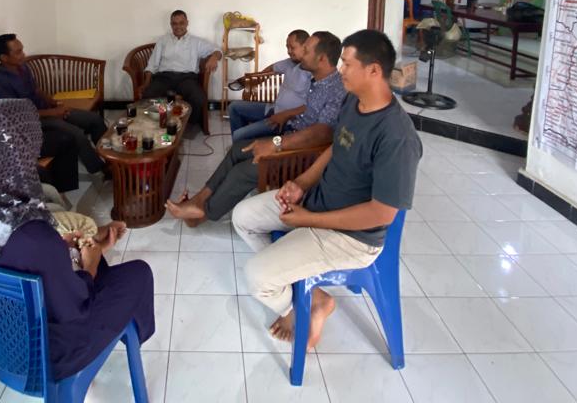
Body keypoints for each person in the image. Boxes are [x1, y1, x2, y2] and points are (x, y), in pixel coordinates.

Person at [0, 99, 155, 380]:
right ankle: (130, 336)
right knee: (137, 274)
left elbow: (13, 260)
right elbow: (75, 306)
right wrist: (91, 261)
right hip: (43, 355)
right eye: (31, 144)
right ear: (16, 153)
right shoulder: (34, 238)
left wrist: (61, 246)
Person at [232, 30, 422, 349]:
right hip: (319, 203)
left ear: (373, 70)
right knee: (243, 217)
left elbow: (381, 213)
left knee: (257, 277)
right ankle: (313, 298)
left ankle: (303, 305)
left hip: (351, 237)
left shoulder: (397, 137)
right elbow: (335, 147)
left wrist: (308, 219)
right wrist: (302, 182)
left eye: (347, 64)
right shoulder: (354, 101)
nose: (340, 70)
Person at [166, 31, 346, 226]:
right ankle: (199, 199)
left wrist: (275, 143)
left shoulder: (336, 90)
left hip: (302, 156)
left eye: (306, 50)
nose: (301, 53)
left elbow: (321, 133)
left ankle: (203, 214)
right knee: (237, 150)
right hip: (290, 138)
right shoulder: (316, 82)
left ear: (321, 59)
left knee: (241, 172)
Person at [0, 29, 81, 197]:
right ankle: (50, 204)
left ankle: (60, 197)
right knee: (61, 143)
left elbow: (0, 114)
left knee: (66, 139)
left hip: (14, 135)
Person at [0, 33, 108, 178]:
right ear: (4, 58)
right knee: (77, 134)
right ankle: (100, 168)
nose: (24, 54)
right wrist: (53, 113)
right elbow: (16, 115)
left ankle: (110, 159)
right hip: (33, 121)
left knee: (94, 120)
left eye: (22, 49)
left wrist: (55, 103)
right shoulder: (1, 82)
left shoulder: (23, 68)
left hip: (48, 111)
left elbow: (36, 90)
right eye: (18, 52)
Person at [142, 10, 222, 129]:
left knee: (199, 97)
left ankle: (186, 124)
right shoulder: (163, 41)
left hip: (186, 79)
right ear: (171, 24)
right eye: (175, 23)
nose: (178, 26)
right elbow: (152, 64)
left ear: (187, 23)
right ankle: (160, 122)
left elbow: (217, 50)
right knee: (148, 94)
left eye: (181, 23)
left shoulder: (196, 42)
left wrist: (214, 57)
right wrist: (146, 83)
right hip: (164, 77)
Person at [227, 29, 311, 142]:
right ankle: (242, 147)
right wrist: (257, 78)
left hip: (287, 121)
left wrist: (286, 115)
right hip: (273, 109)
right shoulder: (290, 62)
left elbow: (312, 106)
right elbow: (272, 68)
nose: (289, 51)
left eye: (292, 47)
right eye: (287, 47)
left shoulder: (311, 70)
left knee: (238, 135)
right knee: (234, 107)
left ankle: (242, 146)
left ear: (305, 46)